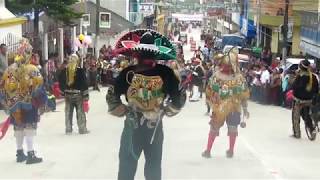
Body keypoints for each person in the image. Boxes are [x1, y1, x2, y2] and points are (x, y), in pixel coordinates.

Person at [106, 30, 186, 180]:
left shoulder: (128, 72)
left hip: (132, 126)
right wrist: (166, 110)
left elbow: (111, 95)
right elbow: (179, 97)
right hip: (154, 127)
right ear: (155, 54)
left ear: (137, 53)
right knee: (153, 167)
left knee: (127, 166)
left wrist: (122, 109)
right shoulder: (166, 73)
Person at [0, 39, 47, 164]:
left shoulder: (9, 69)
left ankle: (20, 153)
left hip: (14, 104)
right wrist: (43, 102)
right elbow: (39, 86)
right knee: (29, 126)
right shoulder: (32, 68)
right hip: (29, 103)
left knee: (18, 127)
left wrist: (5, 102)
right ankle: (31, 154)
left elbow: (2, 86)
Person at [203, 47, 250, 158]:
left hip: (227, 108)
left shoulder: (233, 77)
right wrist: (245, 109)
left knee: (226, 129)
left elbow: (243, 94)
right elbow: (210, 92)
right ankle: (223, 150)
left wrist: (245, 108)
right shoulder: (237, 78)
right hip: (227, 107)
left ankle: (212, 150)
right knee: (225, 129)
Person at [59, 54, 90, 134]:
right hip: (78, 94)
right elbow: (84, 84)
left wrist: (63, 91)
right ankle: (82, 129)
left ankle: (68, 129)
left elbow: (61, 82)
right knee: (80, 112)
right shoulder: (80, 71)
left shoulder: (64, 71)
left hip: (68, 95)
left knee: (68, 112)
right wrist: (86, 96)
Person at [291, 60, 319, 139]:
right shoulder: (313, 76)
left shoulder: (300, 76)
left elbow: (294, 87)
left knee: (295, 117)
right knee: (306, 116)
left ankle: (297, 134)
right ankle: (312, 129)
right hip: (309, 100)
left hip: (298, 101)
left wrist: (295, 76)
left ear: (301, 66)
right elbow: (316, 89)